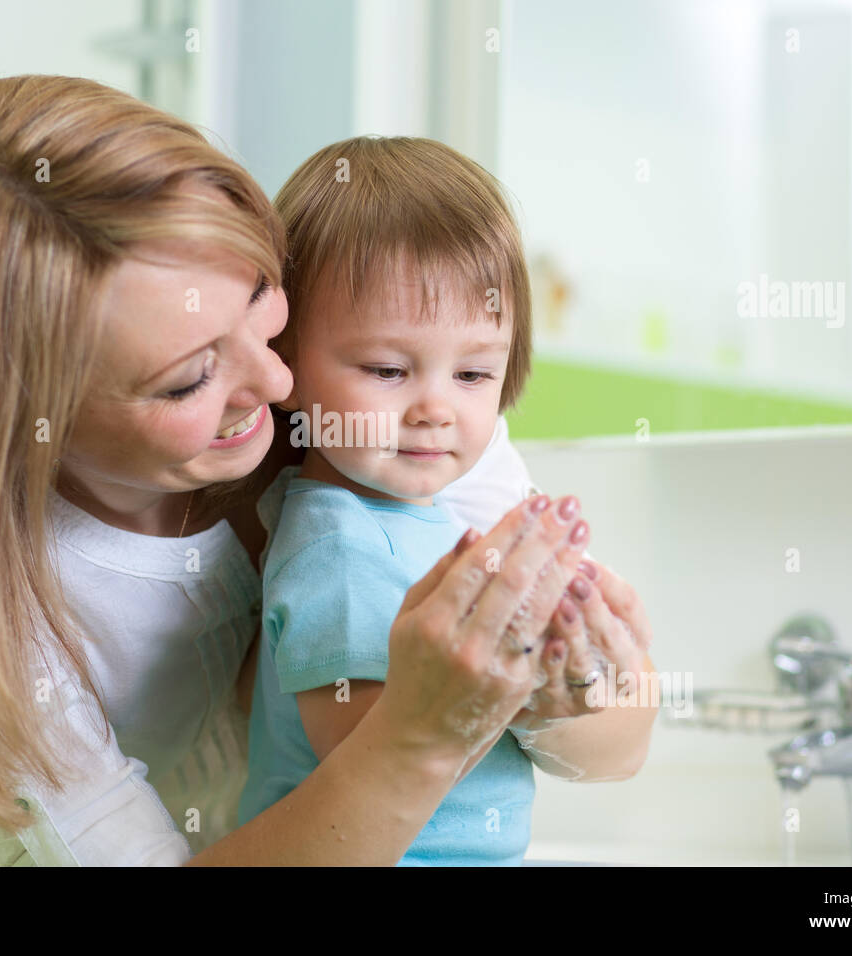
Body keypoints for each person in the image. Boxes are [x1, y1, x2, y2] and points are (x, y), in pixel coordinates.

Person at [0, 75, 655, 866]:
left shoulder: (381, 402)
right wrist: (424, 735)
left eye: (262, 295)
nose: (279, 383)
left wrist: (564, 701)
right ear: (20, 422)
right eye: (189, 378)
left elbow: (621, 739)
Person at [238, 137, 655, 865]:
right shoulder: (337, 546)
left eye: (471, 375)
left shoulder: (446, 522)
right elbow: (368, 755)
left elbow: (617, 750)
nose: (435, 407)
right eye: (388, 369)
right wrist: (521, 678)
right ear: (288, 368)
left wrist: (573, 674)